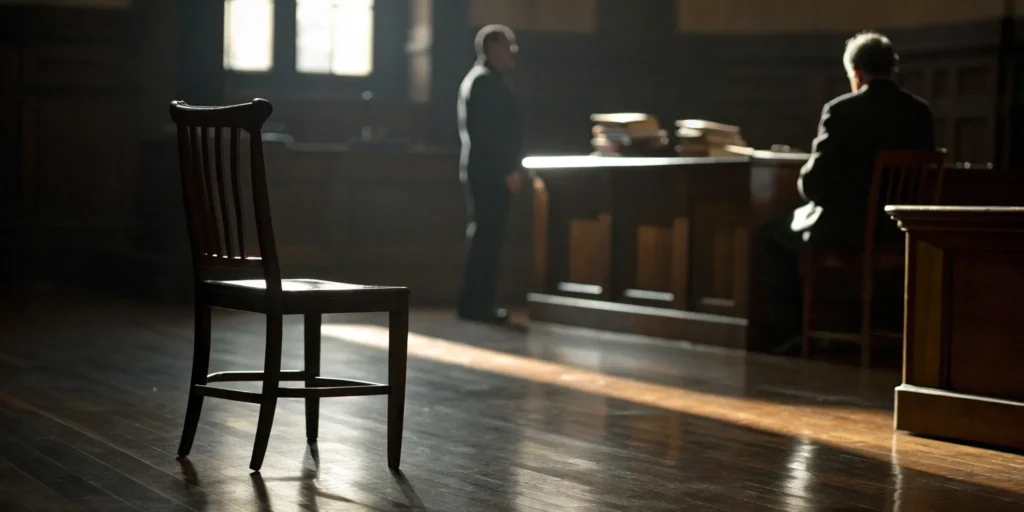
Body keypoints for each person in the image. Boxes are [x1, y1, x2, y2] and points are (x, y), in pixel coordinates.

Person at [751, 31, 936, 350]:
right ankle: (882, 325)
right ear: (891, 69)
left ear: (856, 73)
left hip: (846, 230)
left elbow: (814, 185)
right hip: (902, 232)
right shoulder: (920, 112)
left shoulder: (842, 110)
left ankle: (794, 332)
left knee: (771, 236)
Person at [456, 25, 525, 324]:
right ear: (494, 49)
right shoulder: (485, 83)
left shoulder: (481, 80)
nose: (514, 51)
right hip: (491, 174)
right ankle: (478, 305)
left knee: (485, 238)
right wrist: (507, 170)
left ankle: (475, 304)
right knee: (488, 240)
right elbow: (489, 135)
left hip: (484, 172)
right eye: (508, 45)